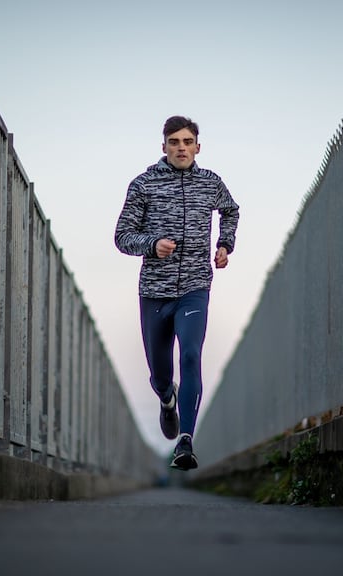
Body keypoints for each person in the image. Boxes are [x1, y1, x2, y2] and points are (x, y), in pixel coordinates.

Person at [114, 115, 240, 470]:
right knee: (160, 374)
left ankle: (185, 441)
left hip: (195, 288)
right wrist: (151, 245)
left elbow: (230, 211)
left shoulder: (210, 183)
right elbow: (122, 237)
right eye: (174, 142)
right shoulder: (143, 185)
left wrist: (224, 244)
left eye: (187, 142)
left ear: (198, 147)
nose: (181, 148)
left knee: (190, 356)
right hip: (154, 291)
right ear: (164, 146)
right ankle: (166, 399)